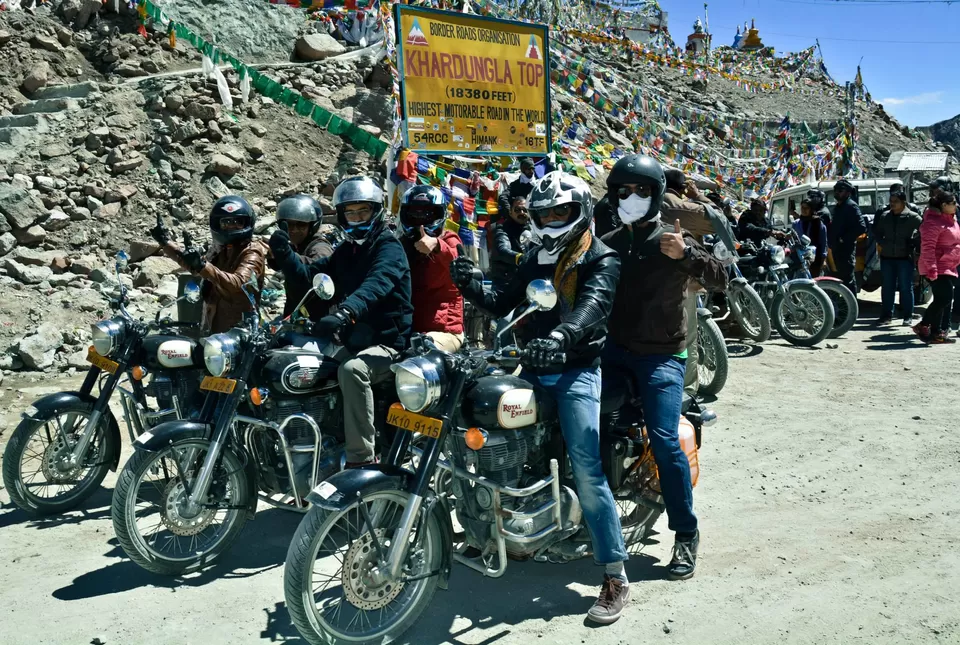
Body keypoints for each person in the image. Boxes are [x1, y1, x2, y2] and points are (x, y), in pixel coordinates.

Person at [450, 171, 630, 624]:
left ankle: (614, 573)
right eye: (544, 213)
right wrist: (468, 282)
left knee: (587, 469)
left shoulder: (600, 256)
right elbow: (506, 300)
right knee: (485, 432)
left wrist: (565, 334)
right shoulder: (536, 255)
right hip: (532, 367)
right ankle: (497, 526)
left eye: (559, 212)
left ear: (580, 211)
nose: (551, 219)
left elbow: (594, 305)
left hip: (576, 371)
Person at [600, 154, 727, 584]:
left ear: (655, 195)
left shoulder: (673, 239)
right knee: (574, 421)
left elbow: (723, 276)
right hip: (613, 351)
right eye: (623, 191)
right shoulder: (610, 240)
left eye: (640, 190)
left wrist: (688, 253)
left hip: (661, 356)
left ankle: (686, 533)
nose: (631, 197)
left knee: (665, 438)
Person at [270, 176, 412, 466]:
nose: (357, 218)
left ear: (376, 211)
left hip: (388, 345)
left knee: (352, 371)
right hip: (353, 340)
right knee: (303, 365)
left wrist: (346, 311)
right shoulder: (348, 251)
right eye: (350, 212)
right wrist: (286, 254)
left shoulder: (389, 247)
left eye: (363, 211)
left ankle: (362, 458)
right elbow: (312, 276)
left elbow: (376, 284)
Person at [150, 196, 267, 333]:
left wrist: (202, 266)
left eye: (238, 222)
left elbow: (238, 283)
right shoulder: (221, 249)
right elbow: (196, 266)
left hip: (239, 334)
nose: (231, 226)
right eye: (226, 222)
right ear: (218, 224)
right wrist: (165, 243)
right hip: (213, 328)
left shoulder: (252, 252)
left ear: (247, 223)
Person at [397, 185, 464, 352]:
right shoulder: (402, 244)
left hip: (444, 331)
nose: (420, 220)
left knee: (419, 351)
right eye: (414, 214)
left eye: (427, 214)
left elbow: (459, 263)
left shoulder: (449, 240)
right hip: (407, 329)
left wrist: (437, 246)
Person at [271, 194, 334, 321]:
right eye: (289, 224)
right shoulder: (296, 246)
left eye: (301, 225)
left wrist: (287, 256)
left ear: (312, 226)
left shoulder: (320, 248)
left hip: (319, 323)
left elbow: (311, 273)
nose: (293, 230)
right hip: (298, 318)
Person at [915, 191, 960, 344]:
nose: (956, 205)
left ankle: (936, 333)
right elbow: (928, 248)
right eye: (953, 203)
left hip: (949, 265)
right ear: (943, 205)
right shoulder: (932, 223)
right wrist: (932, 268)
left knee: (942, 299)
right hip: (936, 266)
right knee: (945, 297)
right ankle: (923, 325)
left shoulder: (951, 220)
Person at [873, 190, 922, 326]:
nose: (892, 204)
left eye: (896, 202)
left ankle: (908, 316)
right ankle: (886, 316)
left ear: (903, 202)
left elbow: (923, 231)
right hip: (887, 257)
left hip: (905, 258)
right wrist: (882, 243)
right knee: (887, 287)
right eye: (891, 201)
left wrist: (914, 242)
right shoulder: (885, 216)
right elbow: (876, 232)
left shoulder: (912, 217)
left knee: (906, 287)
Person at [829, 179, 867, 294]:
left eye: (840, 191)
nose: (837, 193)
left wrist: (844, 239)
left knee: (848, 280)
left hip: (846, 249)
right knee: (838, 279)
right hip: (836, 249)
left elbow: (862, 227)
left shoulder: (851, 206)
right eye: (835, 190)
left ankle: (852, 307)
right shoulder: (838, 207)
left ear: (848, 193)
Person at [488, 195, 529, 284]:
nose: (522, 212)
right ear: (510, 212)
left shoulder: (534, 229)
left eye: (525, 210)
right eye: (517, 210)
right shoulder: (502, 229)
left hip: (526, 283)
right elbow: (503, 249)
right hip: (505, 284)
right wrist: (521, 258)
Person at [793, 194, 829, 277]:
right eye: (802, 208)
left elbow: (823, 243)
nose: (804, 210)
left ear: (811, 209)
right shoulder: (796, 223)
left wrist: (824, 260)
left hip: (815, 259)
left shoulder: (818, 223)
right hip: (799, 259)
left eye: (806, 208)